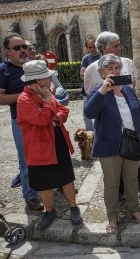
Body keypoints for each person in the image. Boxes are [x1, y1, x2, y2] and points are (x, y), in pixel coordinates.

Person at [83, 31, 140, 204]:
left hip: (130, 124)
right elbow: (89, 95)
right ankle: (120, 195)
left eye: (119, 44)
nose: (119, 48)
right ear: (103, 48)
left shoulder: (127, 62)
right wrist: (104, 92)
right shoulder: (92, 69)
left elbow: (133, 86)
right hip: (109, 126)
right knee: (115, 165)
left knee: (137, 161)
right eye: (115, 45)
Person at [84, 54, 140, 233]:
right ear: (102, 72)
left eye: (116, 68)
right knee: (111, 183)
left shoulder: (128, 90)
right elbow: (89, 113)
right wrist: (103, 90)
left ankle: (134, 209)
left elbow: (139, 116)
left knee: (132, 179)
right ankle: (112, 216)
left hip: (132, 142)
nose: (114, 71)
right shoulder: (99, 90)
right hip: (109, 145)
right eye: (110, 68)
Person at [17, 60, 82, 231]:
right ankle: (49, 210)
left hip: (57, 139)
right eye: (47, 76)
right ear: (39, 80)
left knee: (66, 176)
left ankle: (74, 207)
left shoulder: (47, 93)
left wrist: (52, 114)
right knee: (44, 182)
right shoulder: (24, 99)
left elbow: (63, 111)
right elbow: (42, 119)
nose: (50, 78)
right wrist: (48, 104)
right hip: (38, 146)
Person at [0, 33, 43, 210]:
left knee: (44, 155)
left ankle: (48, 187)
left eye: (24, 47)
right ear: (6, 51)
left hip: (42, 117)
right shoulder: (3, 69)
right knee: (26, 160)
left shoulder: (31, 67)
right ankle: (30, 195)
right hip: (21, 121)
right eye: (17, 48)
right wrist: (25, 96)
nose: (23, 51)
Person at [80, 35, 100, 131]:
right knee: (86, 113)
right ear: (87, 48)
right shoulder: (85, 59)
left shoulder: (102, 57)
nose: (92, 49)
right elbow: (82, 74)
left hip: (100, 89)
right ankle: (90, 134)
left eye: (94, 46)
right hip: (88, 90)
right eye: (90, 47)